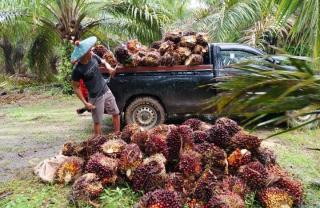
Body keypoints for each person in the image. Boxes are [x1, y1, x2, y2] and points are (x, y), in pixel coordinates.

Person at [70, 36, 120, 136]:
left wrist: (109, 68)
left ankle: (118, 135)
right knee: (97, 122)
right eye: (89, 50)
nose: (92, 50)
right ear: (84, 54)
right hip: (95, 97)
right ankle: (97, 142)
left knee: (116, 113)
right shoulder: (78, 69)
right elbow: (75, 87)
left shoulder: (93, 56)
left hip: (106, 90)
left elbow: (104, 61)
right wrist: (85, 103)